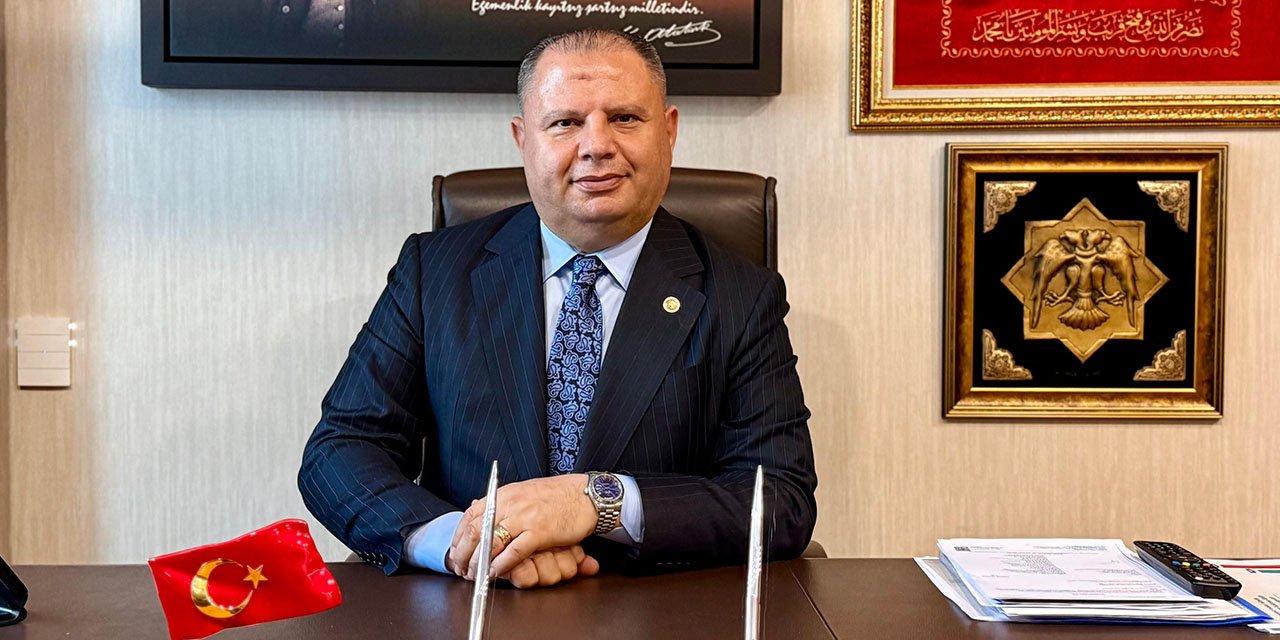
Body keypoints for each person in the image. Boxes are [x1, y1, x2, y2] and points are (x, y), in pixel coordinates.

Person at [299, 28, 817, 589]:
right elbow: (341, 449)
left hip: (653, 607)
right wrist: (463, 542)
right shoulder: (435, 273)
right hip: (472, 599)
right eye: (566, 123)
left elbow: (780, 499)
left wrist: (596, 500)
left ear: (668, 131)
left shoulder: (741, 295)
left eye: (624, 118)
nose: (596, 145)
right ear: (523, 140)